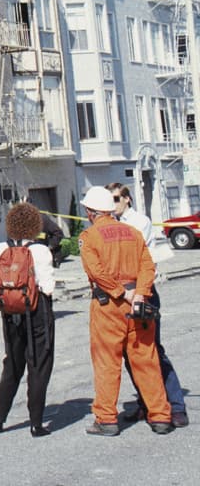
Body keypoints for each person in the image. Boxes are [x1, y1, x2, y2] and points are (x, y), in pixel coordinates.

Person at [78, 185, 174, 436]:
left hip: (109, 305)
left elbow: (96, 272)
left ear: (90, 212)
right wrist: (140, 293)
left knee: (107, 362)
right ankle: (161, 416)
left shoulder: (90, 237)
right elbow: (147, 266)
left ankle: (107, 419)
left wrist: (122, 293)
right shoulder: (133, 232)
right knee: (146, 360)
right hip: (140, 303)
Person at [109, 182, 188, 427]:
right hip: (122, 295)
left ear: (127, 199)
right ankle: (147, 403)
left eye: (115, 199)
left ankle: (175, 406)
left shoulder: (138, 222)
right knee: (130, 353)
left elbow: (138, 259)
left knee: (153, 350)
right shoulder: (110, 225)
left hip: (143, 292)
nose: (112, 205)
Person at [0, 202, 56, 437]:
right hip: (36, 311)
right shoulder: (40, 251)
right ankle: (36, 423)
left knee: (12, 364)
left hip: (9, 313)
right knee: (39, 364)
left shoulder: (0, 249)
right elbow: (47, 287)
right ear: (35, 226)